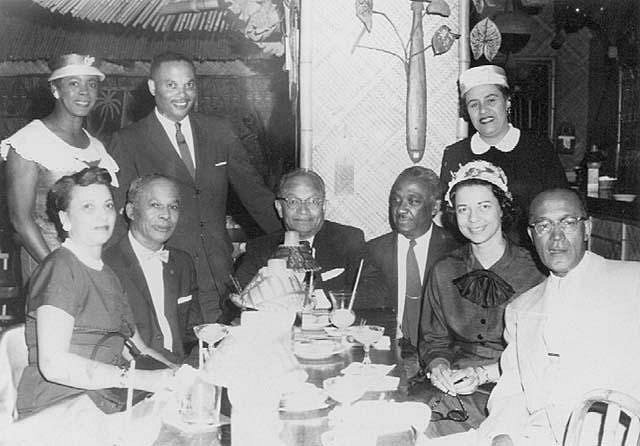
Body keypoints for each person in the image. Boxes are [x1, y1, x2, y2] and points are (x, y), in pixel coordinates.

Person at [426, 188, 640, 446]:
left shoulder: (632, 282)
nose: (556, 237)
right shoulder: (521, 309)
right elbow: (513, 389)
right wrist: (502, 433)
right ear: (531, 235)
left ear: (587, 228)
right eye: (543, 226)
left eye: (568, 222)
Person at [108, 51, 282, 323]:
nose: (183, 94)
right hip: (164, 276)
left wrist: (292, 241)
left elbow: (256, 196)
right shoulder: (128, 141)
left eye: (189, 84)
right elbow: (119, 216)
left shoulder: (219, 131)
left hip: (220, 275)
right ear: (152, 87)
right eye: (171, 85)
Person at [16, 167, 174, 418]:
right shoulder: (60, 269)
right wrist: (137, 379)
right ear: (65, 219)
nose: (102, 215)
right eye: (88, 207)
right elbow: (53, 364)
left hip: (103, 398)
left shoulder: (109, 275)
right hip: (59, 405)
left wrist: (179, 374)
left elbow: (139, 348)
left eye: (108, 205)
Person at [416, 160, 545, 437]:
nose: (473, 218)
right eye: (463, 209)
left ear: (502, 208)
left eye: (484, 206)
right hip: (456, 387)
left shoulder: (537, 271)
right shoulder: (444, 270)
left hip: (518, 389)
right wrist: (439, 367)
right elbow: (434, 341)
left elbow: (543, 353)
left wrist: (484, 373)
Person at [0, 53, 119, 282]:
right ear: (55, 90)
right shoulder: (28, 142)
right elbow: (21, 220)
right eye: (74, 83)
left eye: (91, 84)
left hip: (93, 266)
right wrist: (60, 270)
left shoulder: (96, 147)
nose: (84, 92)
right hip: (47, 268)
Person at [440, 65, 567, 243]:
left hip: (531, 252)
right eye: (474, 104)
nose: (483, 110)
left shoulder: (538, 148)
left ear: (507, 101)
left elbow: (561, 207)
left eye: (491, 100)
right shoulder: (455, 154)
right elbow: (451, 219)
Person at [104, 174, 203, 365]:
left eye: (173, 207)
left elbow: (194, 332)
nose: (166, 215)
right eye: (155, 205)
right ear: (131, 211)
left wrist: (191, 369)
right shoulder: (106, 265)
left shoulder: (183, 263)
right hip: (133, 374)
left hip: (182, 370)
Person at [358, 166, 459, 349]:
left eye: (413, 201)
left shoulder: (455, 251)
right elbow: (367, 310)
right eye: (396, 200)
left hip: (443, 352)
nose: (401, 209)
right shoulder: (374, 251)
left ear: (435, 207)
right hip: (389, 349)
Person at [234, 168, 366, 304]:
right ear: (279, 208)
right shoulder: (260, 248)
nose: (303, 210)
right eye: (293, 201)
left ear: (324, 206)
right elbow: (238, 298)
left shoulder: (348, 240)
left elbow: (368, 295)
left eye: (313, 201)